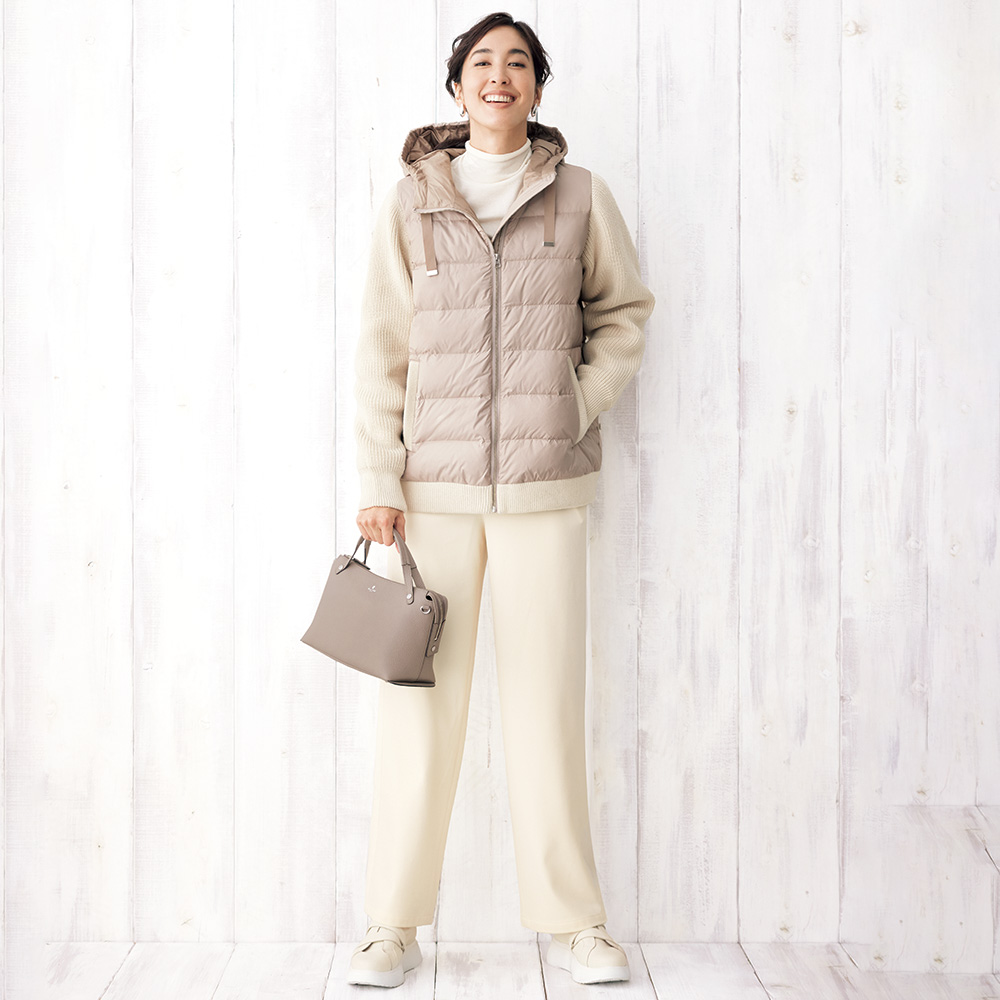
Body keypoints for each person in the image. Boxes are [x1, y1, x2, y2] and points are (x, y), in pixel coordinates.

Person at [346, 11, 655, 989]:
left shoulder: (581, 196)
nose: (498, 75)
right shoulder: (411, 203)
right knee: (418, 712)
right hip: (429, 498)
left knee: (545, 708)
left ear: (536, 87)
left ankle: (576, 924)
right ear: (456, 87)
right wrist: (377, 480)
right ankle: (392, 925)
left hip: (543, 492)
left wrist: (573, 402)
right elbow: (380, 348)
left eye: (517, 62)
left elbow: (624, 312)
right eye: (481, 61)